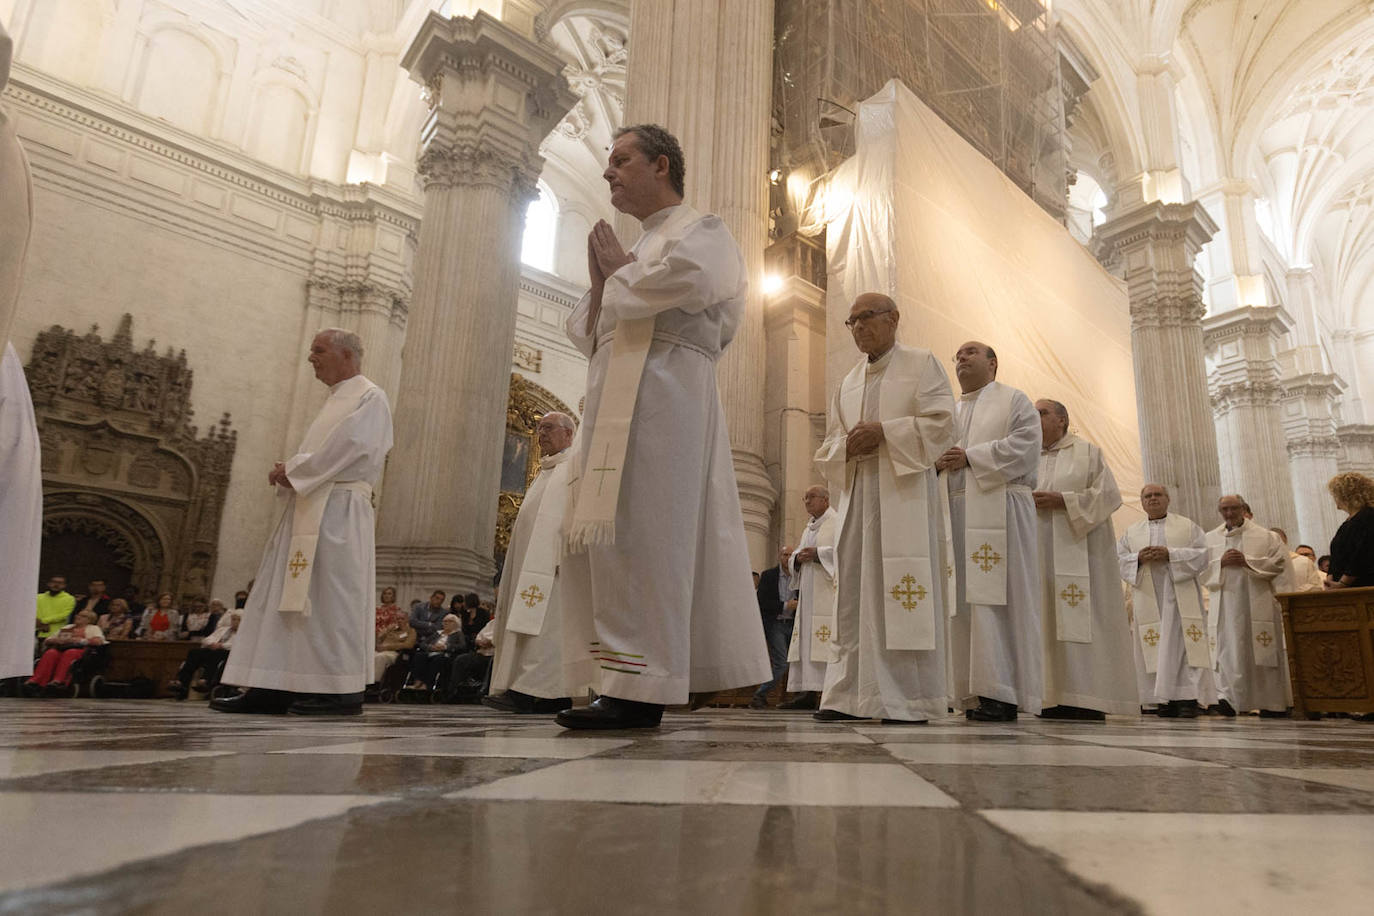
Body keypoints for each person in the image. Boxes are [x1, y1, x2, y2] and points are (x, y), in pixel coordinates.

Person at [555, 123, 770, 729]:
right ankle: (617, 679)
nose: (608, 173)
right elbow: (586, 329)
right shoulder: (641, 246)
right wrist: (607, 283)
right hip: (613, 402)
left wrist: (619, 275)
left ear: (662, 166)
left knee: (651, 535)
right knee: (611, 536)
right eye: (607, 163)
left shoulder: (704, 231)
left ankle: (641, 687)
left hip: (667, 401)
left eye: (621, 160)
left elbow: (696, 283)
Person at [214, 328, 393, 716]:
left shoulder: (370, 397)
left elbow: (353, 447)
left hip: (339, 513)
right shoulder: (334, 401)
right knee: (283, 596)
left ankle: (339, 691)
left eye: (319, 350)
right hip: (311, 505)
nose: (311, 357)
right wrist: (294, 472)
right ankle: (273, 683)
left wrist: (292, 468)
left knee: (332, 599)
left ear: (347, 355)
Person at [811, 295, 955, 724]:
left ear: (893, 318)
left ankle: (905, 700)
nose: (858, 327)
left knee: (900, 589)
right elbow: (830, 443)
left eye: (865, 318)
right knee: (853, 593)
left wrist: (886, 433)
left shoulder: (921, 363)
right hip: (859, 492)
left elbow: (943, 422)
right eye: (851, 321)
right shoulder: (848, 381)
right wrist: (847, 446)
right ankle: (847, 696)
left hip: (903, 489)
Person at [936, 341, 1042, 722]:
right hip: (955, 513)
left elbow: (1027, 448)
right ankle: (970, 691)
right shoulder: (947, 411)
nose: (960, 358)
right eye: (958, 355)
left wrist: (970, 456)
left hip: (1002, 509)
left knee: (1001, 601)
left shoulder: (1014, 400)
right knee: (962, 605)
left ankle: (1004, 691)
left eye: (970, 353)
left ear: (993, 363)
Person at [1032, 399, 1137, 721]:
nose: (1035, 419)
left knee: (1083, 617)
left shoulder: (1087, 452)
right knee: (1044, 617)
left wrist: (1063, 501)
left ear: (1062, 420)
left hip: (1082, 551)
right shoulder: (1027, 455)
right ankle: (1047, 696)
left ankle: (1086, 696)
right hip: (1038, 552)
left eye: (1042, 413)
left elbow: (1109, 496)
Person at [487, 412, 593, 715]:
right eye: (538, 429)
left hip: (557, 567)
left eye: (548, 428)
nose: (540, 434)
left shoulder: (573, 468)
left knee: (548, 631)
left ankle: (538, 693)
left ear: (569, 435)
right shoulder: (547, 471)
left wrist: (567, 554)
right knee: (533, 629)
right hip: (530, 569)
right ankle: (535, 690)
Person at [1117, 484, 1217, 718]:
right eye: (1147, 496)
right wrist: (1138, 558)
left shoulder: (1187, 526)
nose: (1153, 499)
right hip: (1148, 597)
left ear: (1168, 499)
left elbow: (1203, 555)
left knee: (1182, 646)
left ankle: (1187, 699)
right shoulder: (1132, 532)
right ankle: (1158, 699)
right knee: (1153, 645)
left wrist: (1171, 554)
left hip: (1179, 596)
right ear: (1142, 502)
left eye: (1157, 495)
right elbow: (1118, 559)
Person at [1205, 494, 1290, 716]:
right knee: (1227, 650)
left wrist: (1247, 562)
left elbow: (1279, 563)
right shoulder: (1210, 538)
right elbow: (1199, 569)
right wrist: (1220, 563)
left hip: (1256, 601)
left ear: (1243, 509)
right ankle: (1228, 699)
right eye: (1224, 509)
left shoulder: (1267, 537)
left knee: (1261, 650)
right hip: (1225, 603)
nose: (1229, 513)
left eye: (1233, 508)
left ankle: (1269, 702)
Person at [779, 486, 838, 711]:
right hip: (809, 594)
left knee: (825, 640)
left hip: (827, 592)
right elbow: (797, 553)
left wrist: (818, 554)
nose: (806, 501)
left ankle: (828, 693)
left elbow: (844, 551)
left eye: (811, 497)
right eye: (805, 498)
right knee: (806, 641)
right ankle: (808, 692)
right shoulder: (808, 528)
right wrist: (798, 557)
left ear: (825, 499)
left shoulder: (836, 521)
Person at [748, 551, 795, 710]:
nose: (788, 558)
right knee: (781, 663)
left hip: (794, 624)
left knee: (796, 663)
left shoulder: (800, 575)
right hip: (776, 624)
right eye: (785, 554)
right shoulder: (769, 575)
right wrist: (785, 606)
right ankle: (760, 694)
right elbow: (762, 602)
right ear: (780, 557)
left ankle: (796, 699)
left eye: (791, 555)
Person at [23, 609, 104, 696]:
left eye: (82, 616)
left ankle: (59, 681)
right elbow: (48, 640)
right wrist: (57, 640)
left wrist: (80, 640)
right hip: (61, 649)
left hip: (80, 650)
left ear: (89, 619)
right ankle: (36, 681)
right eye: (78, 615)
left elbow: (98, 641)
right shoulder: (67, 627)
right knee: (51, 653)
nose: (78, 617)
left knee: (70, 653)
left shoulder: (93, 628)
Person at [168, 612, 241, 699]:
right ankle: (181, 681)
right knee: (194, 652)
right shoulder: (223, 629)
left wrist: (221, 645)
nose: (234, 622)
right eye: (233, 619)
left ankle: (205, 680)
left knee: (216, 655)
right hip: (213, 648)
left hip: (229, 653)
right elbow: (207, 639)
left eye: (238, 620)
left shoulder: (243, 633)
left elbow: (238, 645)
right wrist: (212, 643)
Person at [1325, 472, 1374, 589]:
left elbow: (1361, 554)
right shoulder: (1348, 522)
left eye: (1335, 494)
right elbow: (1337, 554)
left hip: (1362, 586)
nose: (1334, 499)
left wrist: (1343, 583)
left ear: (1346, 495)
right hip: (1343, 588)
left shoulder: (1368, 516)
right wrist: (1329, 579)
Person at [373, 602, 416, 686]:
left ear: (407, 619)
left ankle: (374, 683)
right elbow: (378, 639)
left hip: (395, 653)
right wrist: (385, 631)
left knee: (380, 657)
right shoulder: (391, 629)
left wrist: (387, 647)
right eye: (397, 619)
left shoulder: (411, 631)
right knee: (370, 656)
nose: (399, 621)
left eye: (402, 619)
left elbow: (408, 645)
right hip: (381, 650)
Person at [1269, 528, 1324, 593]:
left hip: (1299, 600)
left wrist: (1294, 591)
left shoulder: (1304, 562)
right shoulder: (1263, 562)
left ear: (1285, 541)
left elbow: (1316, 586)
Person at [36, 576, 76, 640]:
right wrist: (39, 624)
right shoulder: (38, 597)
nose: (56, 585)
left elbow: (64, 615)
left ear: (64, 585)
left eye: (60, 583)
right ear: (48, 583)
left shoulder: (69, 599)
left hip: (55, 634)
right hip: (36, 631)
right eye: (53, 582)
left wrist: (43, 622)